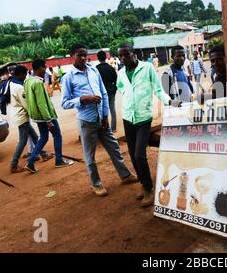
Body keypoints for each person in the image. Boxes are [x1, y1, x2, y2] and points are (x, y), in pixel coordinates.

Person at [62, 45, 138, 197]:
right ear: (72, 56)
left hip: (101, 120)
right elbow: (64, 103)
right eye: (79, 55)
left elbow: (103, 92)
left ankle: (125, 176)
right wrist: (82, 99)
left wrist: (104, 116)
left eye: (85, 55)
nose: (83, 58)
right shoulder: (68, 77)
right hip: (86, 121)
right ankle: (96, 184)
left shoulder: (93, 70)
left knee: (114, 148)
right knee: (90, 155)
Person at [117, 42, 174, 207]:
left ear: (133, 53)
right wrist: (131, 98)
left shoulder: (147, 68)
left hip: (143, 118)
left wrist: (169, 102)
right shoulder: (120, 73)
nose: (123, 58)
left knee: (139, 155)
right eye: (120, 55)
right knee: (132, 154)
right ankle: (143, 183)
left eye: (125, 54)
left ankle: (149, 188)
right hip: (128, 117)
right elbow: (121, 88)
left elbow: (157, 89)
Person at [24, 59, 74, 173]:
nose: (45, 70)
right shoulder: (37, 83)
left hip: (37, 116)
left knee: (44, 137)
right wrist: (48, 120)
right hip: (46, 116)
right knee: (57, 135)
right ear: (39, 68)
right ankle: (59, 160)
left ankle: (30, 161)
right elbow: (41, 103)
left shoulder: (27, 81)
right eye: (44, 68)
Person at [9, 65, 53, 173]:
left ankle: (43, 154)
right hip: (22, 116)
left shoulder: (12, 83)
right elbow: (27, 105)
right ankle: (13, 165)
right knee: (23, 141)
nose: (25, 77)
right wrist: (38, 115)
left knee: (34, 135)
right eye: (24, 75)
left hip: (18, 114)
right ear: (20, 74)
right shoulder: (19, 87)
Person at [96, 50, 118, 132]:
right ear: (105, 57)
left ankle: (105, 127)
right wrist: (114, 88)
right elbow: (116, 79)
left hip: (101, 93)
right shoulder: (110, 68)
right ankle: (114, 128)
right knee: (112, 109)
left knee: (101, 110)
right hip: (111, 91)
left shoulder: (96, 69)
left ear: (98, 58)